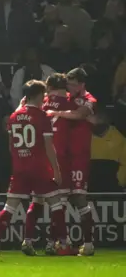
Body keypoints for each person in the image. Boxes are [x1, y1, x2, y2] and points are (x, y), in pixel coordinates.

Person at [0, 80, 63, 256]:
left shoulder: (13, 116)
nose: (45, 98)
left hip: (20, 168)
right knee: (56, 204)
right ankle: (59, 243)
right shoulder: (42, 117)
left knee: (9, 207)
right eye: (43, 95)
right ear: (38, 96)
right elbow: (49, 147)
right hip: (39, 168)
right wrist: (56, 171)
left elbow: (10, 145)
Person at [46, 67, 97, 256]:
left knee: (79, 197)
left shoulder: (88, 99)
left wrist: (56, 113)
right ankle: (58, 242)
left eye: (74, 84)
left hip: (79, 156)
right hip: (64, 156)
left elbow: (80, 114)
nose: (70, 87)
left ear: (82, 84)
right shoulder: (66, 98)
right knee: (60, 199)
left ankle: (89, 243)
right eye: (68, 84)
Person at [26, 73, 77, 256]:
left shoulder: (42, 103)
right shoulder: (71, 103)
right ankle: (52, 243)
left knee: (37, 200)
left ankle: (28, 240)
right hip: (59, 158)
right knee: (59, 203)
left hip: (39, 158)